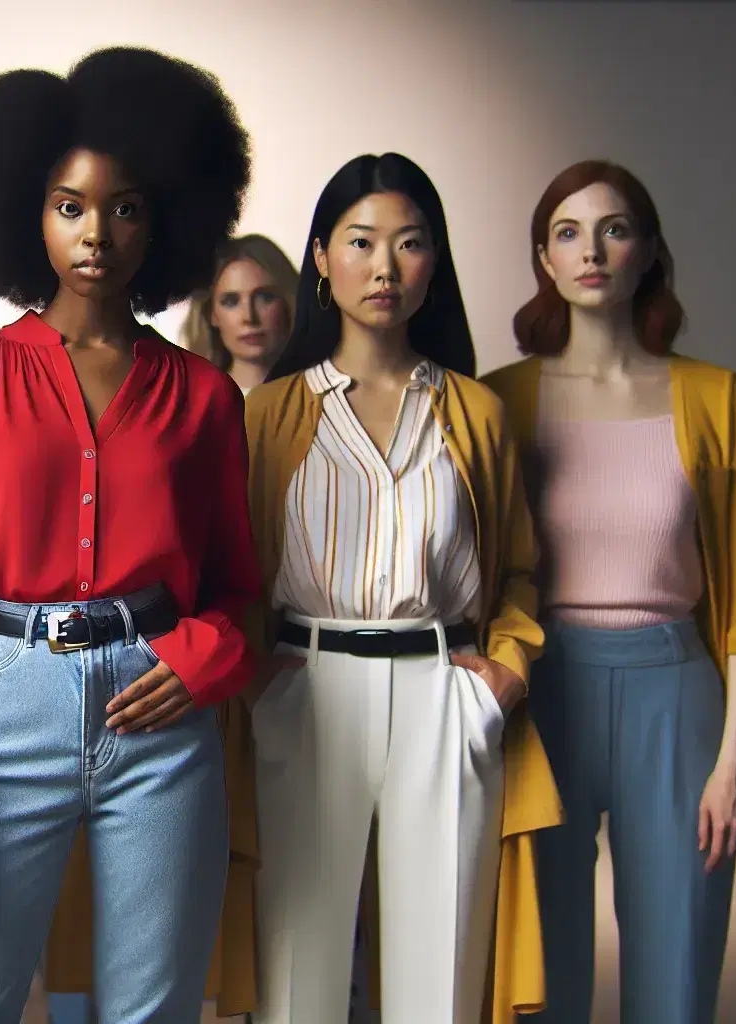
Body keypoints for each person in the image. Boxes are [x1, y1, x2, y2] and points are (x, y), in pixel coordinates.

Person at [0, 46, 257, 1024]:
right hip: (5, 698)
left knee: (152, 1009)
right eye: (69, 205)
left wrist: (205, 658)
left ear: (168, 216)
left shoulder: (204, 398)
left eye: (125, 206)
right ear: (26, 209)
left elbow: (237, 591)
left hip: (160, 708)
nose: (96, 232)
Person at [239, 153, 561, 1024]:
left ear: (434, 263)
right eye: (361, 242)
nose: (385, 267)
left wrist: (504, 675)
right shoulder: (268, 415)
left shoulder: (475, 412)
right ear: (319, 257)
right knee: (294, 974)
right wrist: (254, 679)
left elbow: (520, 568)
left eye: (411, 244)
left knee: (441, 978)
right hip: (302, 691)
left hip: (443, 693)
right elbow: (229, 570)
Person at [483, 159, 736, 1024]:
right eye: (569, 233)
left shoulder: (720, 398)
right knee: (540, 964)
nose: (592, 251)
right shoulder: (500, 402)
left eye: (615, 229)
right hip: (541, 691)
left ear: (649, 252)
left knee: (678, 958)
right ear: (544, 257)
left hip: (675, 689)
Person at [178, 233, 299, 394]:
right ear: (211, 314)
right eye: (231, 301)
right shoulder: (193, 402)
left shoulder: (321, 395)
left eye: (265, 297)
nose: (249, 317)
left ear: (288, 302)